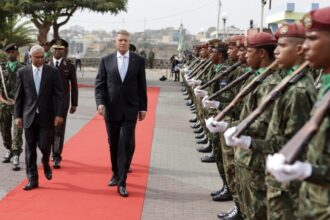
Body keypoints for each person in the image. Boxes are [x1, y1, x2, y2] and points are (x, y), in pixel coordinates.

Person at [266, 7, 330, 219]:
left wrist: (307, 170)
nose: (305, 47)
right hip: (311, 202)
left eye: (312, 39)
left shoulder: (302, 89)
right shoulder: (324, 88)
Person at [95, 30, 147, 197]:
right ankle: (115, 173)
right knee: (113, 143)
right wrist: (100, 103)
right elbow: (100, 85)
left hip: (131, 109)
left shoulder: (138, 60)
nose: (123, 43)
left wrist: (143, 107)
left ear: (129, 42)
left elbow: (141, 86)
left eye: (125, 40)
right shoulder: (106, 60)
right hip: (111, 109)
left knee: (125, 144)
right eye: (120, 40)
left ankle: (122, 182)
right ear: (115, 43)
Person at [14, 45, 65, 190]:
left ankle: (45, 161)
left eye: (42, 57)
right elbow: (19, 97)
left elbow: (60, 95)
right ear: (30, 57)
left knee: (44, 145)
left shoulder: (52, 72)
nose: (41, 59)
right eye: (37, 57)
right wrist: (17, 116)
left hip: (47, 116)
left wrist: (60, 114)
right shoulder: (22, 72)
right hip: (29, 115)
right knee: (29, 148)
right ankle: (32, 179)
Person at [49, 39, 78, 169]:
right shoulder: (45, 63)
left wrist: (74, 103)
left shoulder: (69, 65)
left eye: (60, 49)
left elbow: (75, 86)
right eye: (55, 48)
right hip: (46, 103)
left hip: (62, 104)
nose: (57, 51)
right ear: (51, 50)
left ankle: (56, 156)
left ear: (64, 50)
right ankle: (48, 152)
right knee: (47, 130)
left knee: (58, 131)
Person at [0, 43, 24, 171]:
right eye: (9, 52)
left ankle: (16, 155)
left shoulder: (23, 68)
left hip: (18, 106)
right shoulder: (1, 68)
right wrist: (3, 100)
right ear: (6, 53)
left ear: (17, 53)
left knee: (17, 132)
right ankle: (9, 149)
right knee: (4, 131)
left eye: (13, 52)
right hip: (4, 105)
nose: (11, 54)